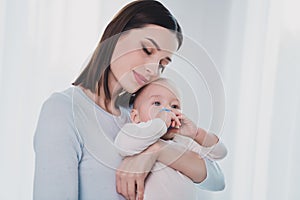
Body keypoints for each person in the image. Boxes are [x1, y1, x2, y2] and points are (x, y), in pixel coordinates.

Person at [33, 1, 225, 200]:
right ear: (116, 36)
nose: (153, 69)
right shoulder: (63, 110)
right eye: (147, 50)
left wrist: (156, 152)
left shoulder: (141, 116)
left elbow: (217, 178)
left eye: (162, 64)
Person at [114, 78, 227, 199]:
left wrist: (197, 133)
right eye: (157, 103)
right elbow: (124, 146)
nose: (168, 110)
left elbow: (219, 154)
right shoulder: (134, 131)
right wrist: (160, 123)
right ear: (135, 116)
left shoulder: (182, 141)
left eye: (174, 106)